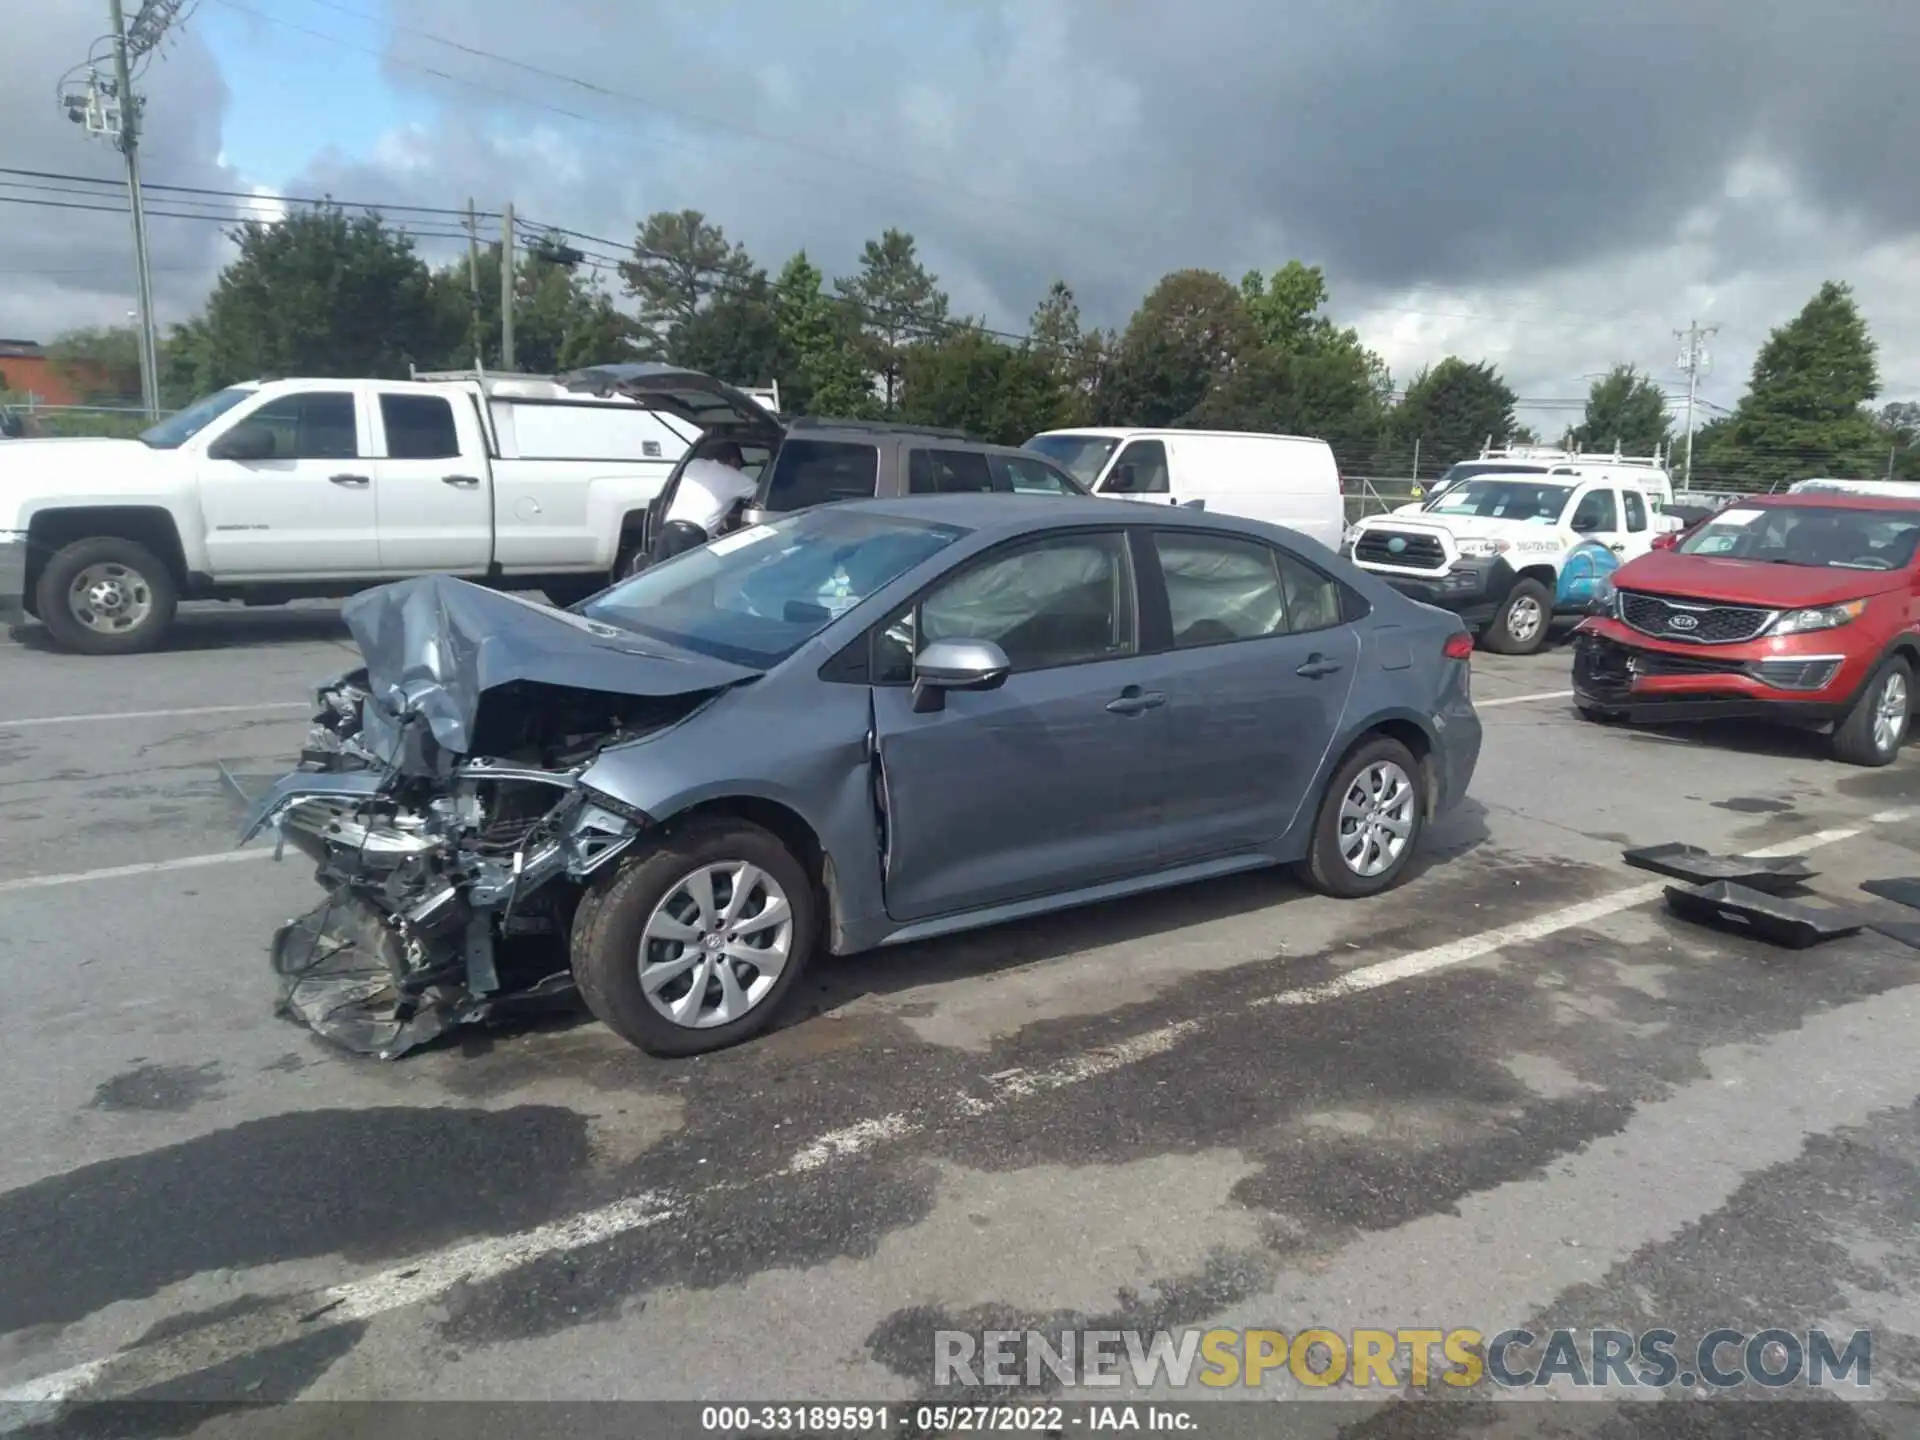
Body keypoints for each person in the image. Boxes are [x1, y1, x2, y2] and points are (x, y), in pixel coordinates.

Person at [662, 441, 756, 537]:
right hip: (694, 535)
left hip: (668, 527)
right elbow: (763, 494)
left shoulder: (694, 463)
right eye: (740, 466)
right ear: (734, 461)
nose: (739, 469)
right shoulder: (736, 478)